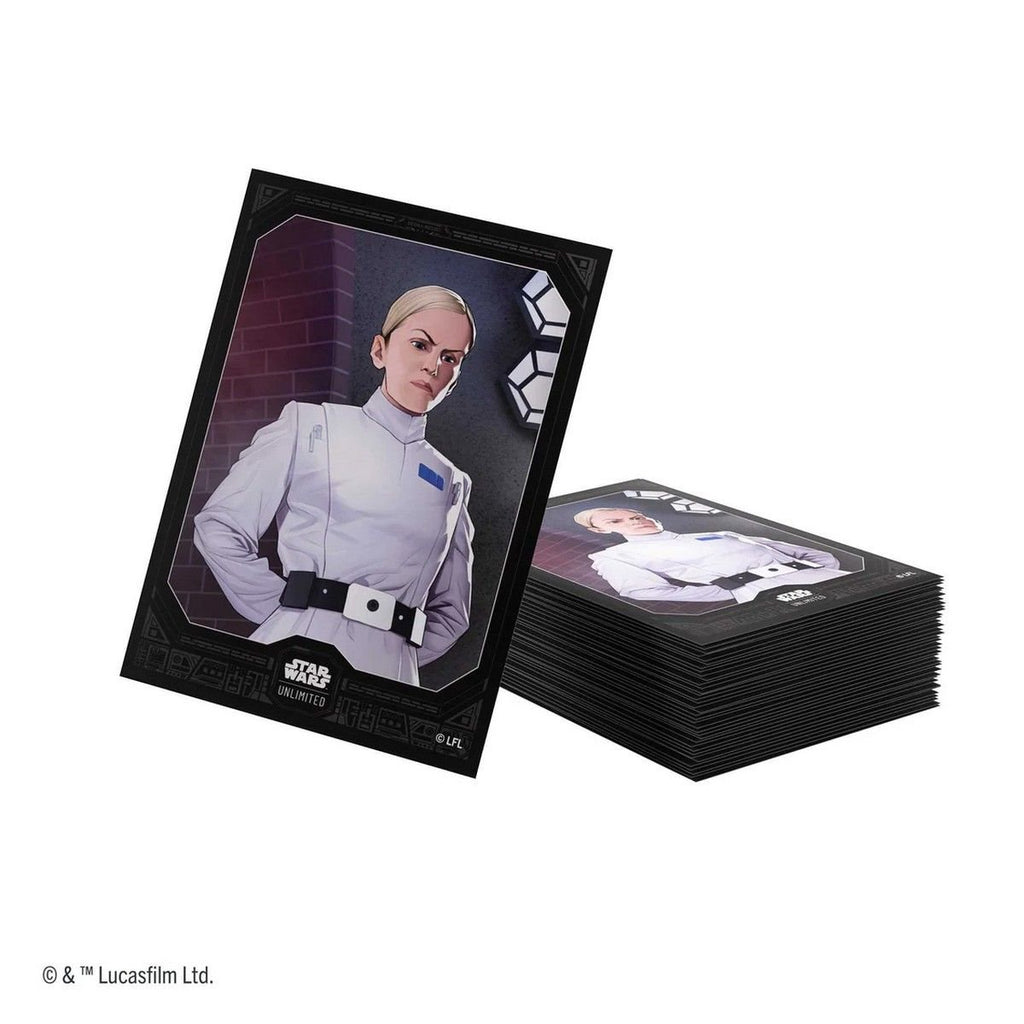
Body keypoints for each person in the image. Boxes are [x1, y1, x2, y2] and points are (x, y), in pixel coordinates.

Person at [194, 285, 476, 687]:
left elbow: (452, 614)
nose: (433, 366)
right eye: (420, 345)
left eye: (450, 358)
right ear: (379, 350)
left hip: (392, 676)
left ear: (455, 379)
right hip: (299, 649)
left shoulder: (453, 483)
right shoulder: (310, 425)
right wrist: (288, 614)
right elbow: (219, 527)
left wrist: (398, 654)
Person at [573, 507, 848, 605]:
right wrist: (731, 591)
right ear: (600, 530)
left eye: (636, 516)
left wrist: (822, 569)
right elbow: (641, 591)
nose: (634, 521)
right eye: (616, 522)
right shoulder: (615, 555)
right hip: (766, 593)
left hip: (828, 578)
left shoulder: (720, 531)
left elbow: (803, 551)